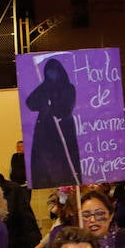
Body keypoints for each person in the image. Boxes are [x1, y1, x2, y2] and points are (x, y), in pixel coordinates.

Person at [25, 56, 83, 186]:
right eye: (49, 72)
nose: (51, 75)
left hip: (62, 130)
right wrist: (44, 99)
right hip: (45, 132)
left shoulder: (68, 88)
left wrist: (51, 106)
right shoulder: (44, 87)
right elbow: (30, 102)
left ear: (59, 71)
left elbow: (66, 108)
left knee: (64, 162)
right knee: (44, 165)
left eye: (54, 71)